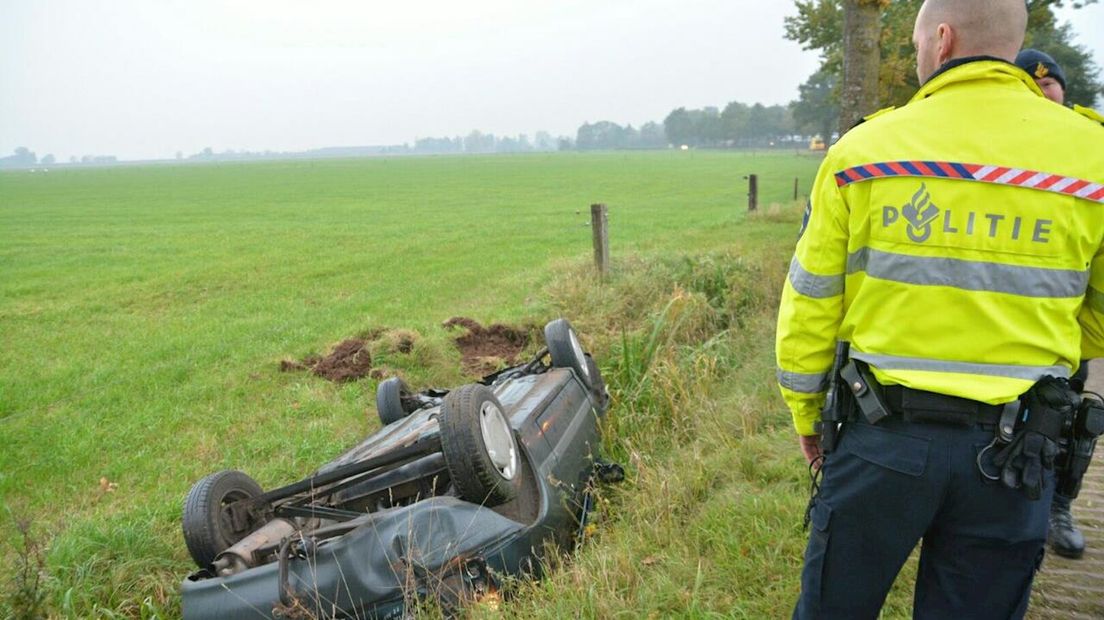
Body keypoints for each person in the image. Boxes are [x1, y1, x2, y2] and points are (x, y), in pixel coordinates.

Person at [775, 0, 1104, 618]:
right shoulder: (1093, 155)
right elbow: (1100, 316)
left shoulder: (863, 152)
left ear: (942, 40)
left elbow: (813, 301)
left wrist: (805, 412)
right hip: (1019, 453)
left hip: (880, 441)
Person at [1014, 47, 1090, 561]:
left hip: (1070, 319)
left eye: (1050, 87)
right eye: (1031, 87)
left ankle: (1059, 507)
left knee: (1071, 418)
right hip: (1008, 318)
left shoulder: (1092, 148)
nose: (1042, 95)